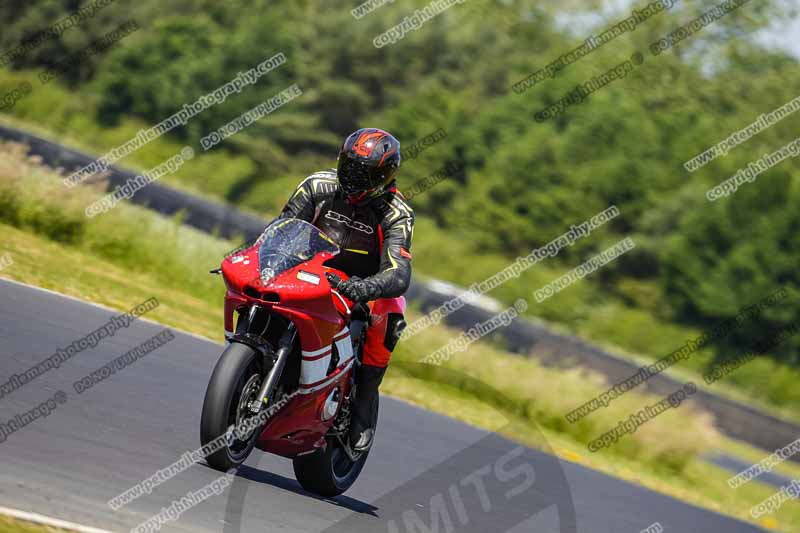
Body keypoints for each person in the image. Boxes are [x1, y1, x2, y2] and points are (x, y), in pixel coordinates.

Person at [278, 128, 414, 452]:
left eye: (366, 174)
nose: (354, 178)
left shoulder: (396, 213)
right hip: (309, 271)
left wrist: (363, 288)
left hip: (360, 286)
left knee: (390, 314)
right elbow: (282, 227)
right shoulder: (317, 185)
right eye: (351, 167)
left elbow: (399, 272)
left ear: (385, 176)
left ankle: (364, 402)